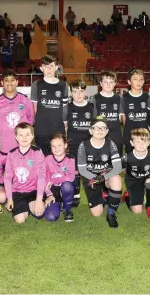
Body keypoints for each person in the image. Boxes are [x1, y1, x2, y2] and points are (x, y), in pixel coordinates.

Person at [77, 116, 123, 228]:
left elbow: (118, 168)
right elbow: (82, 169)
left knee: (117, 179)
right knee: (97, 213)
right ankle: (105, 196)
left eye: (103, 128)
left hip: (105, 176)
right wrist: (95, 178)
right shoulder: (84, 145)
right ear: (90, 130)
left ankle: (111, 213)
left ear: (107, 131)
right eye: (96, 128)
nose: (100, 130)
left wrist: (103, 178)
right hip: (90, 177)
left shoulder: (111, 144)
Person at [4, 123, 46, 223]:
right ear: (16, 137)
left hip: (33, 190)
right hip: (18, 191)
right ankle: (23, 206)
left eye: (27, 134)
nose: (24, 137)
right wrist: (9, 198)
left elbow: (41, 176)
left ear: (32, 136)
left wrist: (39, 200)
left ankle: (32, 204)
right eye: (21, 135)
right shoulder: (11, 153)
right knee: (20, 220)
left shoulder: (37, 152)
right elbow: (7, 178)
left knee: (39, 213)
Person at [30, 55, 69, 156]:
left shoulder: (63, 85)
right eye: (46, 66)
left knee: (58, 157)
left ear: (56, 67)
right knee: (42, 158)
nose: (49, 69)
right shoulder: (36, 85)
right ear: (41, 68)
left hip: (58, 129)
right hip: (42, 130)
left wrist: (65, 126)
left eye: (52, 66)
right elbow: (35, 109)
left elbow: (65, 108)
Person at [65, 79, 95, 207]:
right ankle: (76, 194)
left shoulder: (91, 107)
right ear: (71, 93)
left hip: (89, 144)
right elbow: (65, 127)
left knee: (89, 170)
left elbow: (96, 127)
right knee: (76, 171)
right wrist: (66, 144)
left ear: (85, 92)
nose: (78, 94)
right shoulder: (68, 108)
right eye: (75, 91)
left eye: (81, 91)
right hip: (73, 143)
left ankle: (92, 195)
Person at [121, 128, 150, 219]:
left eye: (144, 141)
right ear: (132, 143)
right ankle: (127, 196)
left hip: (146, 178)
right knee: (137, 211)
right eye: (137, 141)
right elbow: (124, 170)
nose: (141, 144)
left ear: (149, 142)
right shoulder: (126, 158)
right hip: (133, 181)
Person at [0, 69, 34, 153]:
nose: (9, 83)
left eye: (12, 80)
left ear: (16, 82)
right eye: (6, 80)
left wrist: (24, 132)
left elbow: (31, 119)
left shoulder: (25, 100)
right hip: (5, 144)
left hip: (23, 143)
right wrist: (4, 130)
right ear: (2, 83)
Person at [89, 71, 123, 153]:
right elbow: (93, 120)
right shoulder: (95, 99)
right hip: (100, 134)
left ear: (115, 84)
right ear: (100, 83)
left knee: (117, 160)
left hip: (116, 135)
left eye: (111, 82)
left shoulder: (119, 98)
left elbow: (121, 118)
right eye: (105, 82)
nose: (108, 84)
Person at [44, 134, 75, 222]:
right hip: (52, 190)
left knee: (67, 186)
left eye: (59, 145)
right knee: (51, 217)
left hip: (65, 188)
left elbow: (70, 177)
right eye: (53, 146)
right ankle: (58, 204)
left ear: (65, 145)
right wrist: (49, 194)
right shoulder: (47, 159)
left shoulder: (70, 158)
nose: (56, 148)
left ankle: (67, 209)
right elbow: (44, 178)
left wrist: (53, 179)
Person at [120, 69, 149, 153]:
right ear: (129, 82)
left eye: (141, 79)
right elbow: (124, 120)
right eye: (135, 79)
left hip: (145, 137)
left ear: (144, 81)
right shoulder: (123, 98)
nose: (138, 81)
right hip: (130, 137)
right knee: (131, 162)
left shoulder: (148, 97)